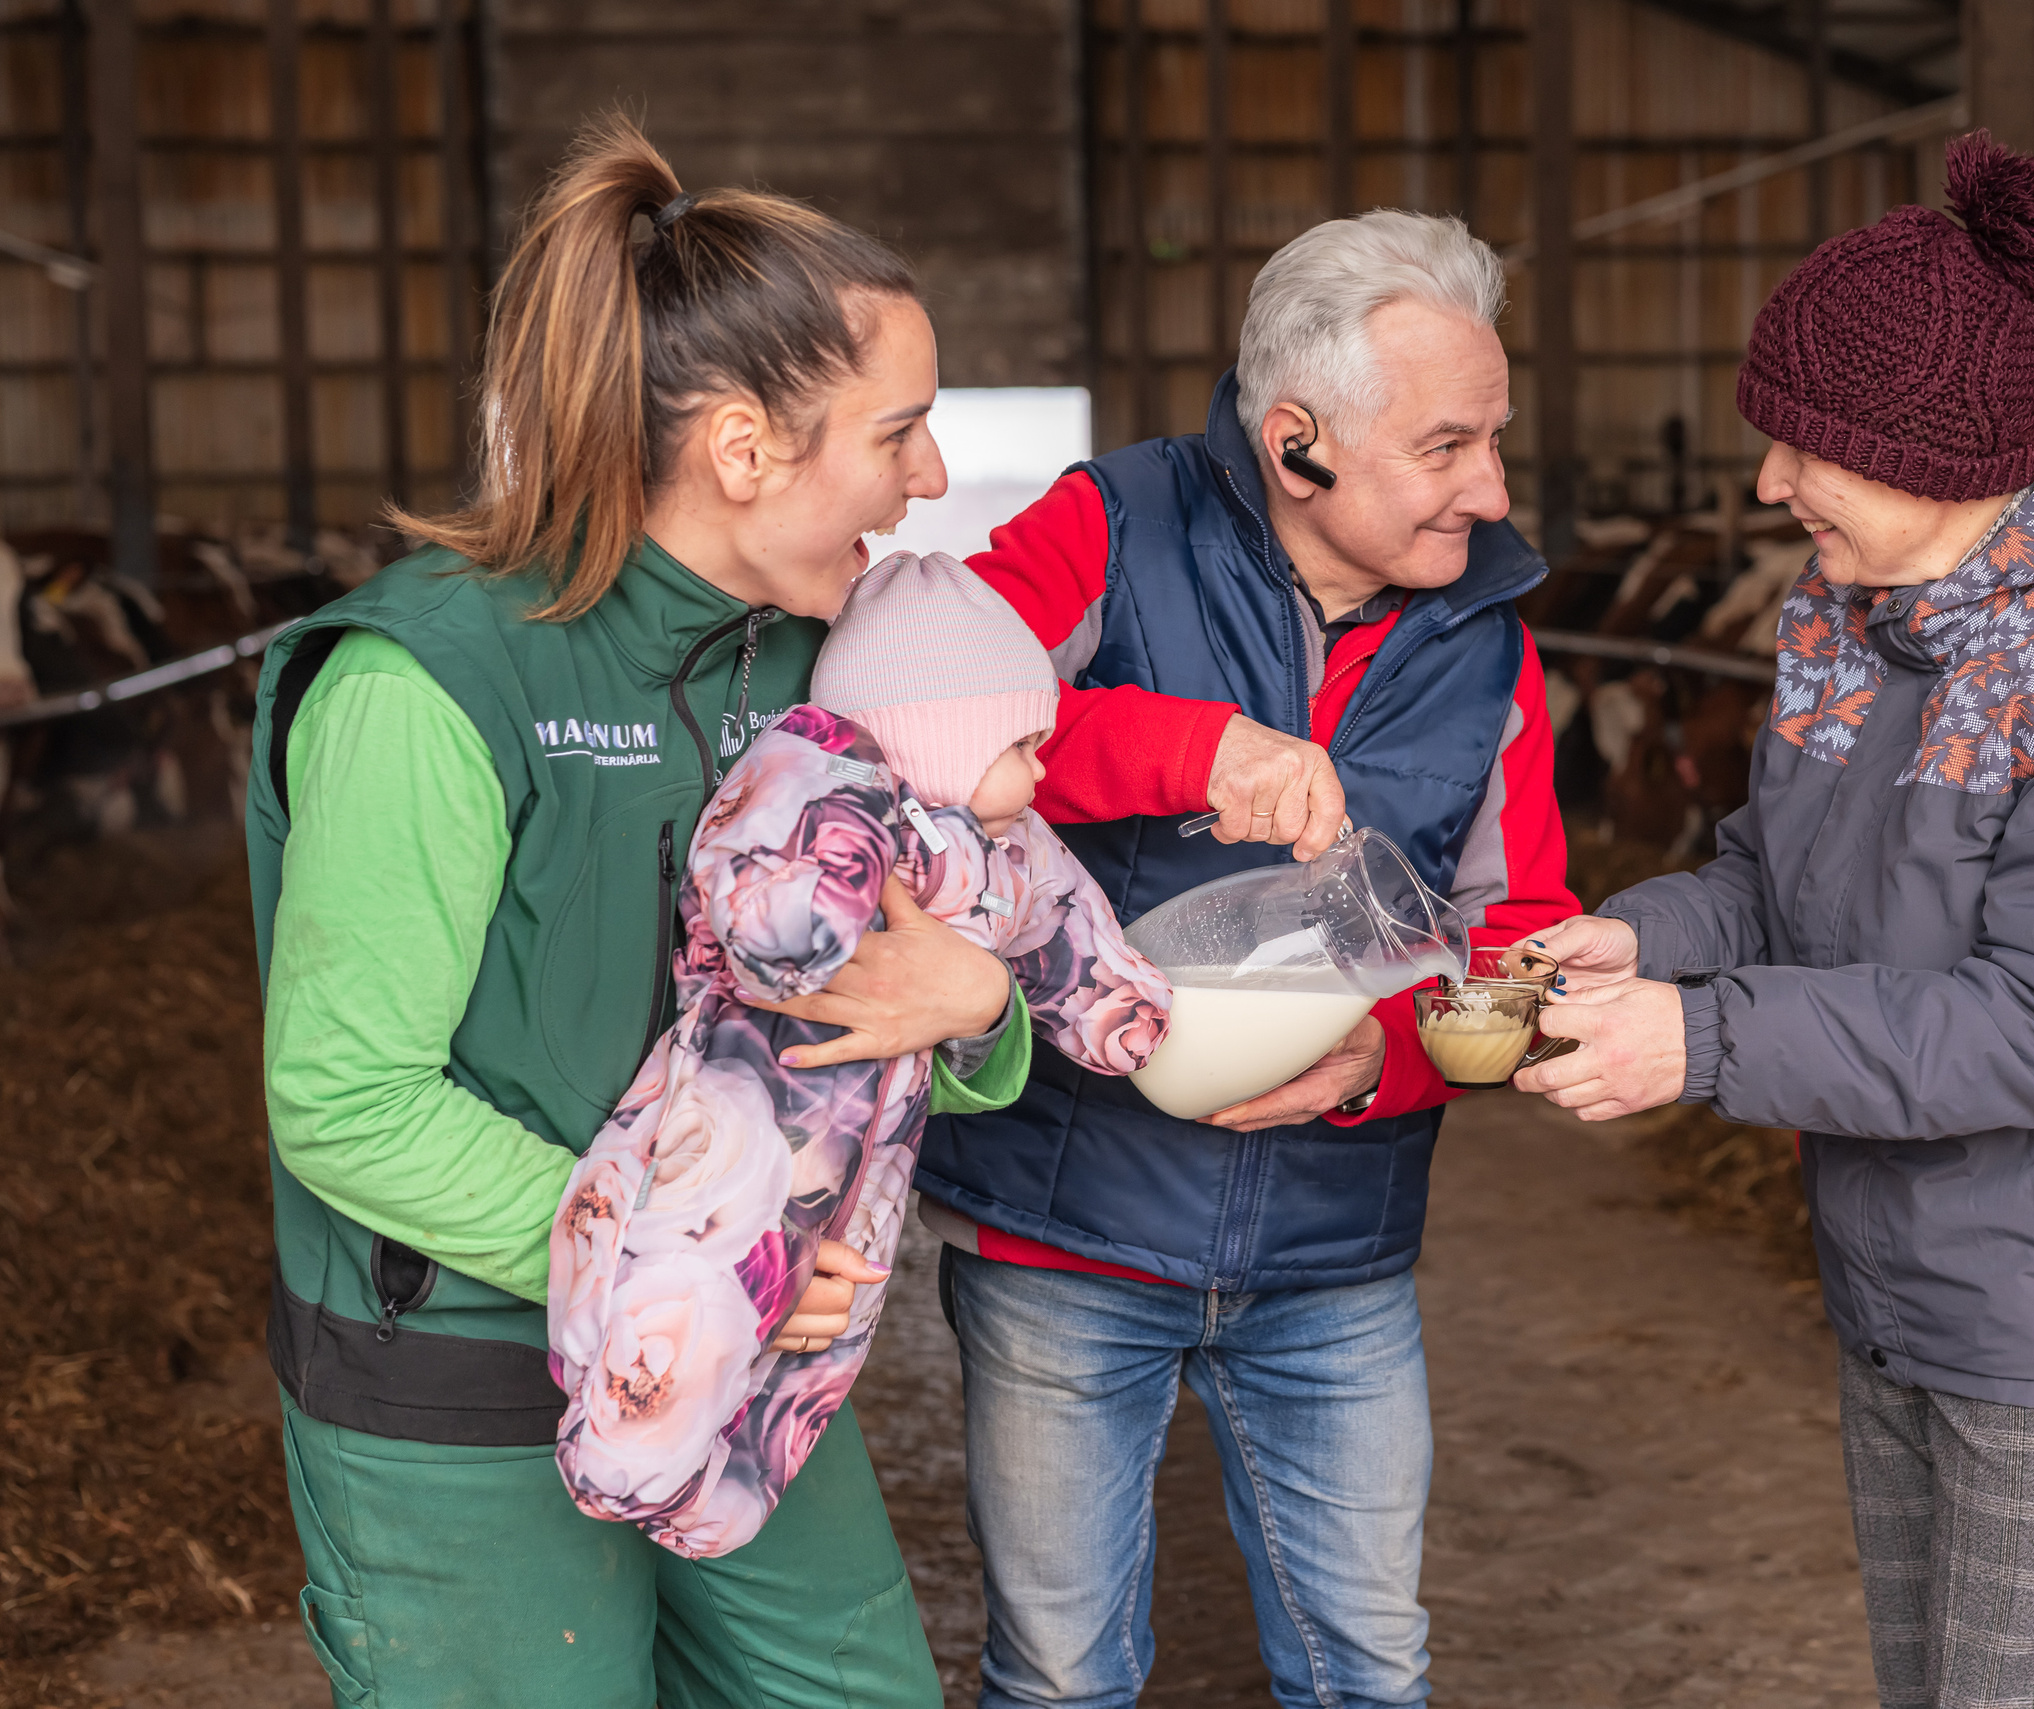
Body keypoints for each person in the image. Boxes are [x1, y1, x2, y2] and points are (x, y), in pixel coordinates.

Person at [247, 117, 1024, 1709]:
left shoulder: (825, 673)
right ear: (744, 452)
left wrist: (983, 1011)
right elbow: (345, 1099)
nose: (931, 477)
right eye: (902, 431)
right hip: (461, 1376)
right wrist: (700, 1256)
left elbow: (911, 985)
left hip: (748, 1363)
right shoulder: (435, 680)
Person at [1514, 134, 2034, 1709]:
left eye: (1807, 450)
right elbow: (1772, 875)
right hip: (1899, 1274)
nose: (1767, 484)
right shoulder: (1851, 611)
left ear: (1943, 457)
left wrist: (1703, 1038)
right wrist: (1646, 941)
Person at [917, 210, 1581, 1708]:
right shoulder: (1112, 526)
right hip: (1064, 1229)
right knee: (1064, 1673)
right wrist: (1187, 745)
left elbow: (1523, 931)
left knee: (1370, 1668)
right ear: (1300, 444)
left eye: (1496, 437)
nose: (1492, 485)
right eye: (1447, 445)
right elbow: (923, 709)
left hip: (1335, 1252)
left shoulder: (1488, 641)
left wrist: (1385, 1063)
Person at [549, 550, 1172, 1559]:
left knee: (824, 1341)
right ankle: (620, 1458)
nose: (1041, 767)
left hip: (871, 1160)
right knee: (686, 1282)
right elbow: (761, 892)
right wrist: (824, 899)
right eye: (1020, 741)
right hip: (730, 1123)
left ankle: (720, 1497)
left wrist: (1127, 1011)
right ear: (937, 740)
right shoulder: (817, 780)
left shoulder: (1015, 850)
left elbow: (1070, 930)